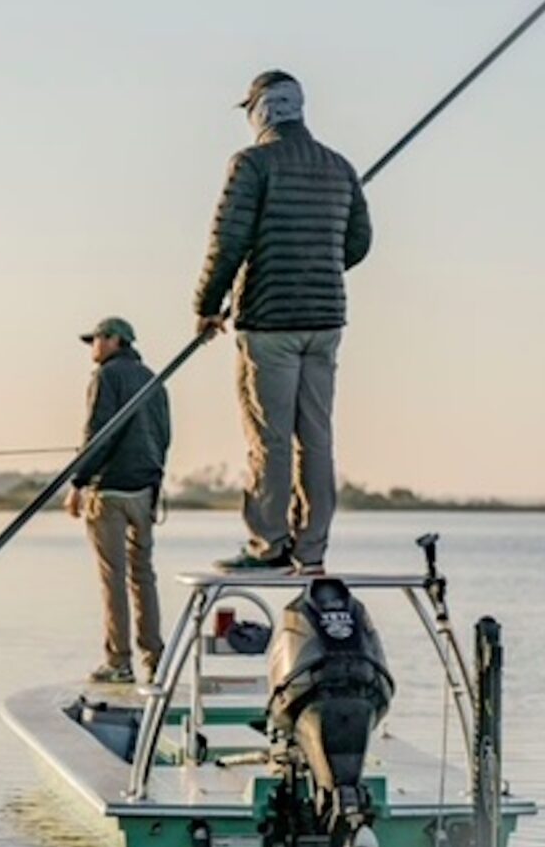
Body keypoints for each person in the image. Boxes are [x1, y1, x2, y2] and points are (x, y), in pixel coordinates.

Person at [194, 70, 373, 576]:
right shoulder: (339, 167)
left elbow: (227, 241)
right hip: (326, 320)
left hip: (269, 321)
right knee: (315, 436)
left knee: (269, 437)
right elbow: (357, 243)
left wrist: (206, 305)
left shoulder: (251, 163)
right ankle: (312, 548)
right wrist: (316, 265)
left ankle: (267, 544)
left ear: (260, 111)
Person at [66, 316, 171, 684]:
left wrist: (78, 481)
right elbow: (164, 435)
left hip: (108, 491)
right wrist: (155, 482)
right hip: (144, 490)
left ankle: (118, 662)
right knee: (143, 576)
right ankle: (155, 658)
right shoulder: (154, 379)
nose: (92, 347)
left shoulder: (105, 376)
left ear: (114, 340)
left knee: (113, 578)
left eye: (95, 339)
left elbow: (99, 432)